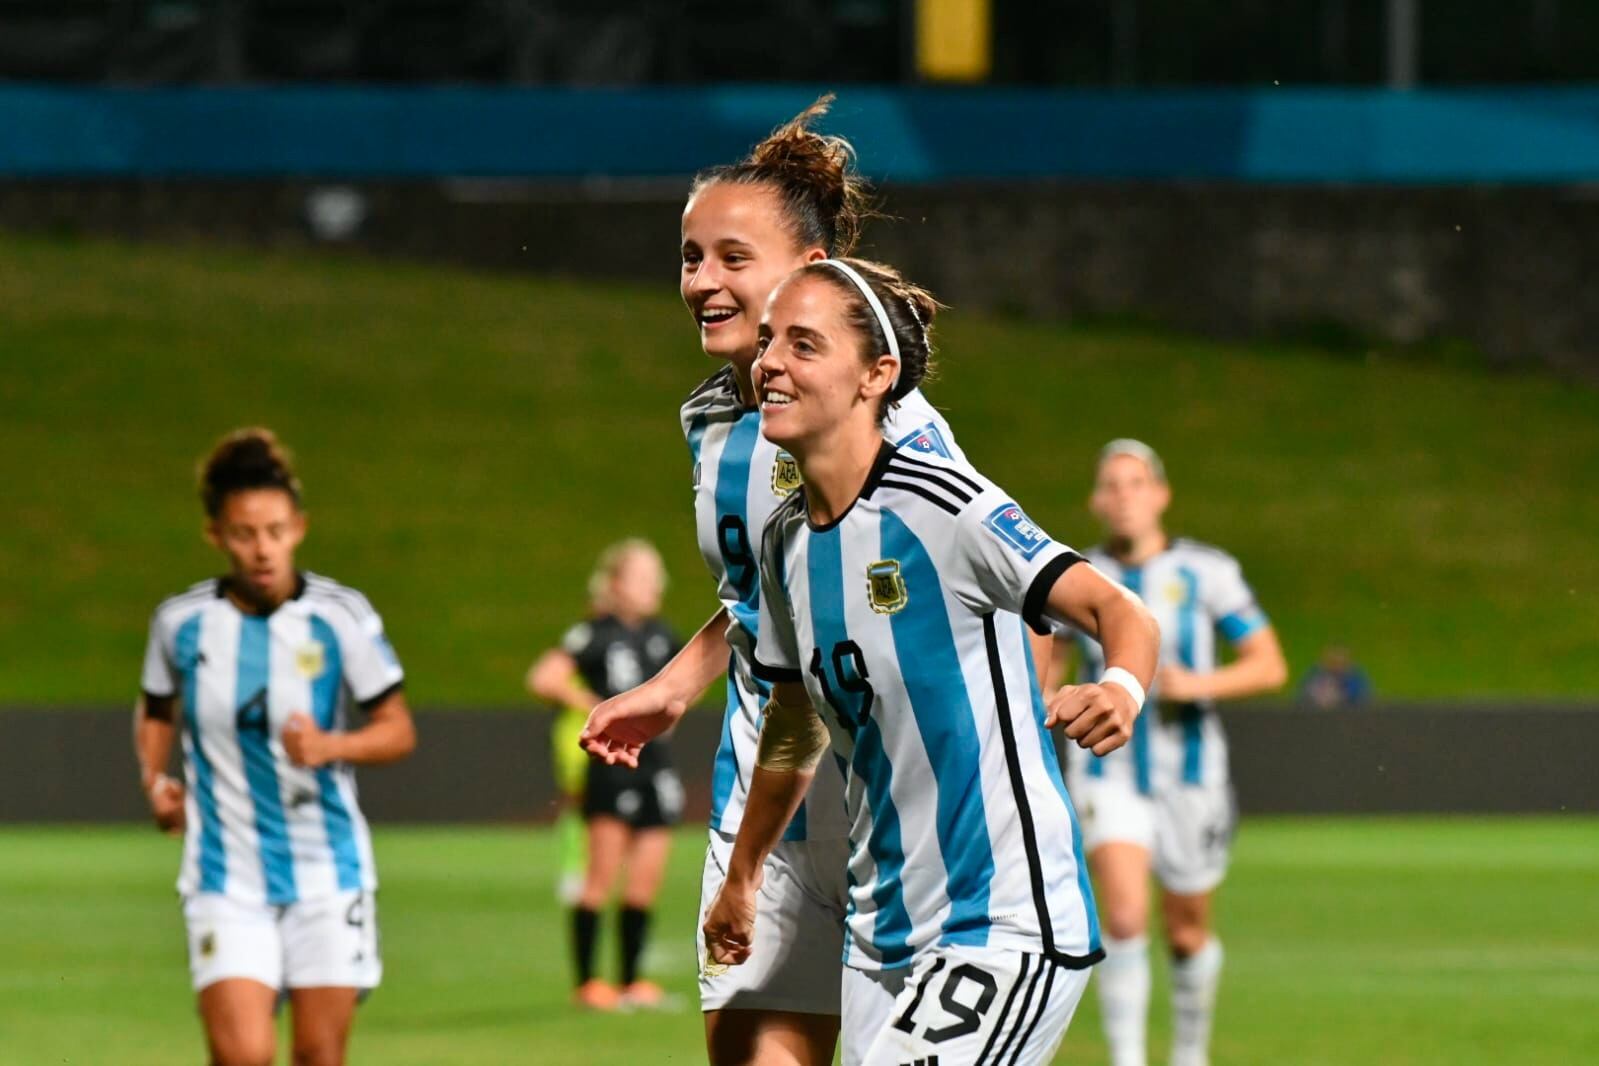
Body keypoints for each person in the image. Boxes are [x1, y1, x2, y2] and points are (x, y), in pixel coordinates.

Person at [581, 97, 968, 1065]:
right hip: (763, 792)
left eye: (730, 258)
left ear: (807, 275)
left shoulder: (897, 432)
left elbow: (984, 584)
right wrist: (673, 685)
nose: (701, 280)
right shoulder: (717, 423)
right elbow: (774, 592)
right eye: (689, 256)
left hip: (898, 816)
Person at [699, 257, 1161, 1065]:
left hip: (999, 919)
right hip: (879, 939)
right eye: (769, 340)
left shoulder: (946, 506)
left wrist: (1119, 686)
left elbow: (1116, 610)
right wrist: (742, 875)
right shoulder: (784, 544)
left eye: (803, 345)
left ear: (876, 375)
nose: (769, 362)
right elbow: (795, 720)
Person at [133, 427, 417, 1066]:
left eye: (275, 530)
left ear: (299, 527)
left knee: (319, 1055)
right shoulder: (180, 623)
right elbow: (155, 709)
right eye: (243, 533)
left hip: (328, 871)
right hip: (223, 876)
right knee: (244, 1056)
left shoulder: (341, 615)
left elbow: (398, 728)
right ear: (215, 535)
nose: (262, 549)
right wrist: (156, 780)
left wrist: (331, 744)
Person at [1057, 439, 1288, 1066]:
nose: (1125, 496)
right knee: (1126, 917)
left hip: (1191, 773)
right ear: (1097, 501)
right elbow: (1043, 664)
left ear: (1160, 495)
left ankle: (1190, 1053)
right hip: (1108, 768)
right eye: (1113, 484)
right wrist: (1056, 697)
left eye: (1137, 483)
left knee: (1186, 932)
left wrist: (1198, 684)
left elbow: (1268, 664)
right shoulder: (1078, 575)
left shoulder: (1207, 571)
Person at [528, 538, 684, 1011]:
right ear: (615, 584)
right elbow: (544, 678)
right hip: (612, 765)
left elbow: (684, 689)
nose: (655, 585)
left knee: (645, 878)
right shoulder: (593, 634)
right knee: (601, 875)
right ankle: (588, 982)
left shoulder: (664, 636)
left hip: (656, 765)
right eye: (643, 576)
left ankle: (632, 981)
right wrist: (598, 708)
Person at [1298, 645, 1371, 709]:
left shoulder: (1355, 677)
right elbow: (1305, 693)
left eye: (1340, 662)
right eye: (1333, 661)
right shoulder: (1315, 674)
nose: (1336, 665)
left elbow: (1360, 696)